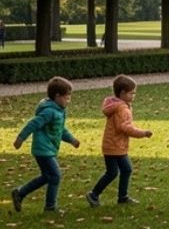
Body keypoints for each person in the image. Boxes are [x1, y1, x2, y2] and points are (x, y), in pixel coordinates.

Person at [11, 76, 80, 214]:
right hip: (43, 150)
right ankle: (50, 207)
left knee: (47, 177)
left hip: (48, 149)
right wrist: (20, 138)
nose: (69, 100)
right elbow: (33, 124)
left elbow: (60, 130)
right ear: (57, 96)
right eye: (66, 98)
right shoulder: (49, 112)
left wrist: (72, 140)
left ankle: (20, 193)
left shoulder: (58, 111)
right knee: (55, 176)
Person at [86, 75, 152, 207]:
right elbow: (125, 127)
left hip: (112, 145)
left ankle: (120, 196)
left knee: (118, 171)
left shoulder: (117, 105)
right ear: (122, 93)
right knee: (119, 171)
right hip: (115, 146)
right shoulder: (121, 108)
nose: (134, 96)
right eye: (131, 93)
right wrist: (142, 133)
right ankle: (96, 194)